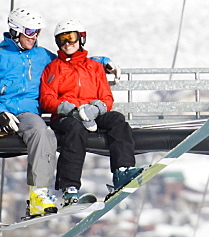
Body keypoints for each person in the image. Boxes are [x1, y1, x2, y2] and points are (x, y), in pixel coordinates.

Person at [0, 6, 59, 220]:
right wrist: (0, 113)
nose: (35, 37)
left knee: (41, 132)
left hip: (27, 112)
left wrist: (102, 63)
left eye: (38, 32)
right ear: (16, 31)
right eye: (30, 32)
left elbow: (72, 65)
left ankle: (38, 195)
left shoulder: (43, 56)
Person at [39, 17, 143, 204]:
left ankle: (122, 170)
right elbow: (47, 98)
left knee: (117, 120)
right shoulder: (54, 68)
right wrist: (66, 108)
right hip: (66, 116)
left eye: (71, 37)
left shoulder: (94, 67)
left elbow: (106, 97)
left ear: (81, 39)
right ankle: (69, 187)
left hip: (90, 113)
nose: (67, 43)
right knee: (75, 130)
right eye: (61, 39)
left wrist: (96, 109)